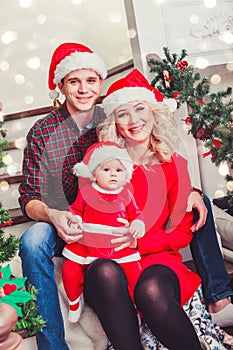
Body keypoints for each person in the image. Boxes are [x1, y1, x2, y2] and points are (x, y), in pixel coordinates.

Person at [18, 42, 233, 350]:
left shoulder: (113, 125)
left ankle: (217, 293)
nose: (82, 89)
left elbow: (159, 174)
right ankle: (53, 346)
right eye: (73, 81)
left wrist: (191, 191)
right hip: (69, 223)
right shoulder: (45, 131)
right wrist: (55, 215)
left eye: (90, 80)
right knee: (35, 240)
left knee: (202, 208)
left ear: (100, 84)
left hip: (126, 234)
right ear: (60, 85)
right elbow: (29, 196)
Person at [95, 69, 205, 349]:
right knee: (102, 272)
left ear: (153, 113)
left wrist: (137, 242)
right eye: (122, 113)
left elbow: (181, 231)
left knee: (151, 289)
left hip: (159, 260)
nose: (133, 121)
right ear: (114, 122)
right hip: (116, 260)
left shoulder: (173, 163)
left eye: (140, 109)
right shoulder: (102, 166)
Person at [62, 141, 145, 322]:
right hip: (89, 243)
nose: (113, 174)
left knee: (135, 273)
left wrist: (138, 224)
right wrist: (75, 220)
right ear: (93, 174)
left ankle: (137, 307)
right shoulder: (86, 192)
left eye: (118, 170)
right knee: (70, 269)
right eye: (106, 170)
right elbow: (76, 210)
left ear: (126, 174)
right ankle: (75, 301)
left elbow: (136, 214)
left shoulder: (126, 194)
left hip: (117, 245)